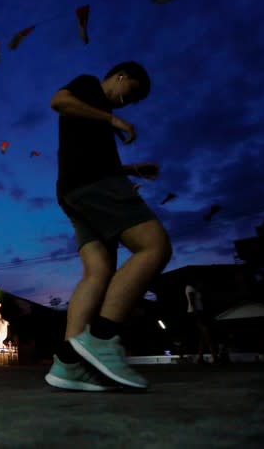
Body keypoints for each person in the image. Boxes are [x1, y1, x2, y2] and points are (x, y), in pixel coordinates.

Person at [44, 61, 173, 392]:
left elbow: (90, 152)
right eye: (128, 94)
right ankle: (103, 337)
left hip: (73, 189)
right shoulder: (89, 85)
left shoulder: (93, 113)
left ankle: (68, 364)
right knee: (154, 246)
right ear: (121, 76)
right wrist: (112, 118)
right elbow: (58, 101)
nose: (124, 104)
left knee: (98, 272)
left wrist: (130, 169)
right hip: (94, 183)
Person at [185, 281, 218, 364]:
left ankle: (200, 357)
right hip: (195, 312)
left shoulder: (196, 289)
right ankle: (214, 356)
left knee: (202, 336)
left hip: (200, 312)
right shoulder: (189, 287)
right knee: (205, 332)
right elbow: (192, 302)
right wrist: (197, 314)